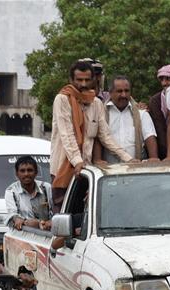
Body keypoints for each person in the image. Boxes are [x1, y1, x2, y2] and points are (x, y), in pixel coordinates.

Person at [50, 59, 134, 214]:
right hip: (63, 169)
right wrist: (77, 161)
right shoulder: (62, 99)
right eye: (79, 80)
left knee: (86, 218)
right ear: (71, 80)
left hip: (87, 171)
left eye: (87, 80)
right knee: (63, 218)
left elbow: (105, 136)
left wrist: (128, 159)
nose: (83, 84)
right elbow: (67, 135)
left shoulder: (96, 103)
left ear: (94, 80)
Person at [101, 75, 158, 163]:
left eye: (126, 91)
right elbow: (98, 138)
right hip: (109, 168)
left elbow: (150, 137)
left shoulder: (141, 114)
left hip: (136, 167)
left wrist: (153, 159)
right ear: (110, 93)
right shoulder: (102, 114)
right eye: (119, 91)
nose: (123, 95)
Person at [5, 155, 51, 230]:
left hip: (45, 233)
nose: (26, 174)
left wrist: (46, 223)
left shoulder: (46, 188)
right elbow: (12, 214)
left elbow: (55, 213)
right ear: (17, 174)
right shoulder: (11, 191)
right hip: (22, 234)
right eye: (22, 171)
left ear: (36, 172)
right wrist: (17, 219)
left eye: (30, 170)